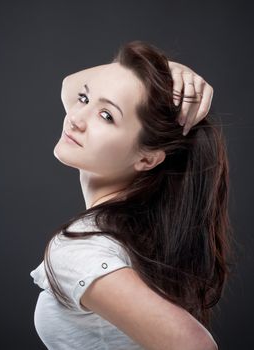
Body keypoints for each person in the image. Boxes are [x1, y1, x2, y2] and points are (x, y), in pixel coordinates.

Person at [30, 40, 231, 350]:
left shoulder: (79, 250)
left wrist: (159, 76)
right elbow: (71, 85)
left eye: (107, 116)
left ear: (147, 159)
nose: (75, 117)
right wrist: (169, 72)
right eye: (84, 100)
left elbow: (196, 345)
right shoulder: (139, 234)